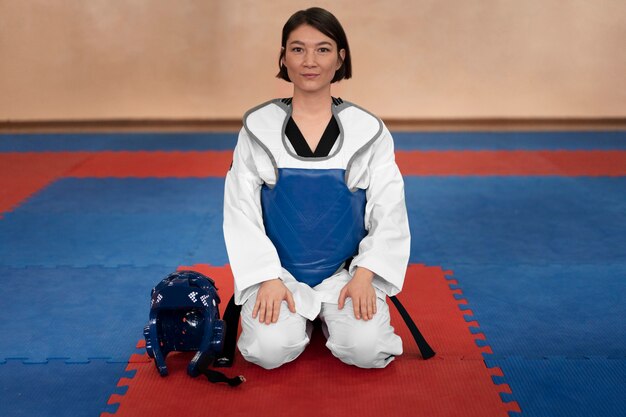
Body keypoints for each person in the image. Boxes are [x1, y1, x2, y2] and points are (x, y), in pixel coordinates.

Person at [223, 7, 410, 370]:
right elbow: (240, 210)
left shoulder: (367, 130)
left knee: (368, 351)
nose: (310, 61)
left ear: (340, 58)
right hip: (280, 274)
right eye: (298, 49)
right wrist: (265, 278)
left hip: (345, 273)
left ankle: (331, 316)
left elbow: (389, 210)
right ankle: (300, 316)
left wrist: (364, 275)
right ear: (283, 57)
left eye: (323, 49)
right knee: (266, 352)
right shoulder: (257, 129)